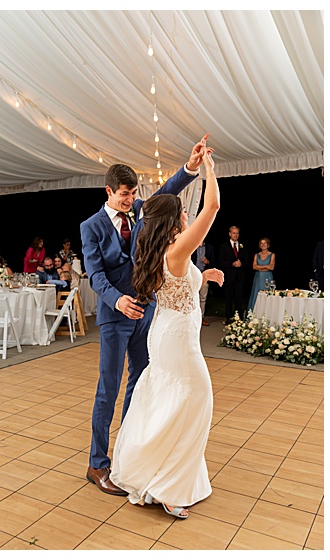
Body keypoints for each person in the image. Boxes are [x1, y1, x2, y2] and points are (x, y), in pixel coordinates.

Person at [79, 133, 211, 499]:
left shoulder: (141, 212)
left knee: (142, 385)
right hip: (116, 316)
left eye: (134, 193)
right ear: (109, 191)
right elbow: (96, 274)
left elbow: (167, 192)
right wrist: (117, 301)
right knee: (108, 389)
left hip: (150, 314)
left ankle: (129, 456)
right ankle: (97, 464)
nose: (131, 199)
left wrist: (190, 168)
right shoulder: (90, 227)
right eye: (125, 194)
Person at [110, 140, 223, 520]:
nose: (190, 214)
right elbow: (214, 206)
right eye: (184, 211)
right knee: (195, 402)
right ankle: (169, 488)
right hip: (177, 339)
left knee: (171, 401)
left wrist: (202, 276)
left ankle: (162, 474)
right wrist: (208, 167)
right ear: (175, 221)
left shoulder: (165, 250)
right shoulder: (176, 249)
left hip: (168, 332)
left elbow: (177, 285)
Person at [220, 225, 248, 322]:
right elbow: (221, 261)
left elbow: (247, 261)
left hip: (239, 276)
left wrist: (241, 264)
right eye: (234, 233)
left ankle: (239, 318)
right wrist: (232, 264)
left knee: (239, 298)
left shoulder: (243, 246)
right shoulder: (224, 246)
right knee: (228, 297)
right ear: (229, 234)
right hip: (229, 276)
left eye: (237, 233)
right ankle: (228, 317)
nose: (235, 235)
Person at [247, 237, 275, 312]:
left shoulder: (272, 255)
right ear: (259, 245)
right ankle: (254, 313)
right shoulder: (256, 255)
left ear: (268, 245)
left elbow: (271, 267)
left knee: (267, 294)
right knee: (256, 294)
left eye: (265, 243)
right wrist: (266, 266)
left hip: (267, 277)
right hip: (258, 277)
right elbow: (254, 266)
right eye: (261, 243)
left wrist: (260, 267)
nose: (263, 245)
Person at [193, 239, 215, 326]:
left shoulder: (209, 248)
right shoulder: (192, 246)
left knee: (203, 298)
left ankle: (201, 318)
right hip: (193, 276)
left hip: (204, 276)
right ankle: (193, 318)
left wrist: (208, 262)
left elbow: (213, 262)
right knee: (193, 298)